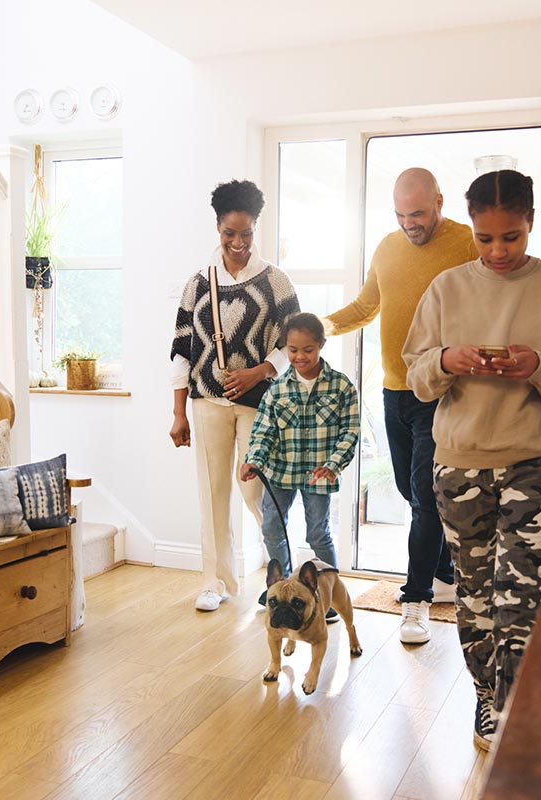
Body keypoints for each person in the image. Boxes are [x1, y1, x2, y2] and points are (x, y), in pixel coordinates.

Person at [402, 169, 541, 751]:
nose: (497, 251)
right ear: (470, 227)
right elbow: (416, 378)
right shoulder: (444, 288)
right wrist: (447, 359)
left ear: (531, 224)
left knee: (524, 596)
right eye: (485, 238)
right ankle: (488, 700)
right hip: (459, 465)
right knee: (475, 593)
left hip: (535, 464)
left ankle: (518, 702)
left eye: (511, 237)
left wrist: (538, 365)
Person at [323, 167, 479, 645]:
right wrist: (314, 328)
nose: (409, 223)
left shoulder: (467, 243)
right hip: (394, 389)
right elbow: (365, 306)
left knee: (426, 495)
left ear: (439, 202)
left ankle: (416, 601)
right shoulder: (388, 247)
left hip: (441, 391)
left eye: (417, 213)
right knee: (410, 491)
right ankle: (447, 576)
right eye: (400, 214)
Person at [169, 179, 300, 612]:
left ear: (256, 227)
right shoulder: (197, 284)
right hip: (206, 402)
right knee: (212, 493)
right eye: (230, 233)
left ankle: (285, 578)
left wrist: (257, 372)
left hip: (258, 403)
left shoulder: (275, 282)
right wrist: (178, 413)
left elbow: (295, 343)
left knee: (257, 491)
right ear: (217, 227)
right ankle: (216, 581)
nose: (239, 242)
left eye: (246, 233)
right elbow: (181, 350)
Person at [240, 312, 360, 616]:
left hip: (320, 475)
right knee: (271, 527)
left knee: (318, 533)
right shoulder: (277, 390)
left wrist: (333, 464)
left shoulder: (342, 387)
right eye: (293, 350)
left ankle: (328, 597)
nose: (300, 356)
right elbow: (263, 431)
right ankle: (281, 591)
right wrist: (254, 460)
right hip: (280, 471)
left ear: (321, 344)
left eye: (307, 349)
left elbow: (350, 431)